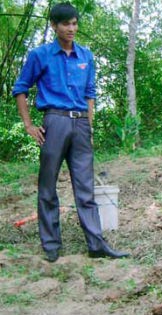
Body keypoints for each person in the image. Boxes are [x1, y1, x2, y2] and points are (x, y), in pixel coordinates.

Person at [12, 2, 129, 263]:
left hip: (80, 125)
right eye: (66, 24)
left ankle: (96, 244)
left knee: (85, 187)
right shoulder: (40, 55)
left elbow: (90, 95)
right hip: (54, 122)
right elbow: (20, 88)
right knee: (48, 185)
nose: (71, 29)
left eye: (75, 23)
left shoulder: (86, 56)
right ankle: (51, 243)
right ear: (54, 26)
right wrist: (29, 125)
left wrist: (89, 126)